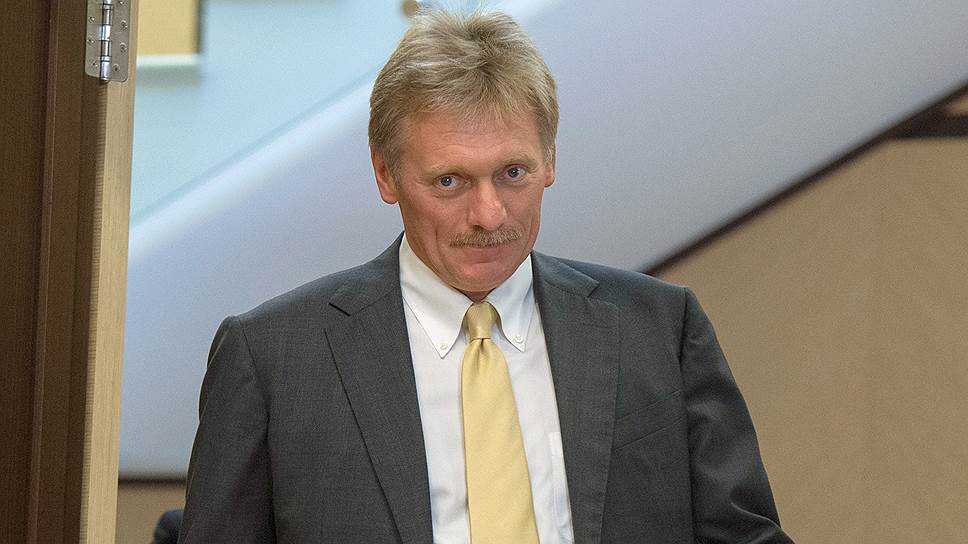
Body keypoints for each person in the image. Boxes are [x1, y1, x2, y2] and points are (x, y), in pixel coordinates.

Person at [180, 9, 793, 544]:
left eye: (512, 174)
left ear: (550, 160)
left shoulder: (659, 329)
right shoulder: (274, 359)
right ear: (386, 175)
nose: (489, 215)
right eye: (450, 181)